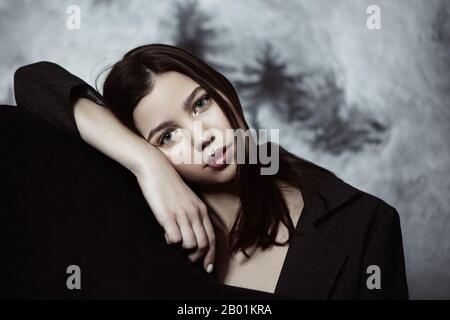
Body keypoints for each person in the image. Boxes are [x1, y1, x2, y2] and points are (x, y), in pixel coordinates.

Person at [12, 43, 409, 299]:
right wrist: (147, 164)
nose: (201, 137)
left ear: (224, 91)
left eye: (200, 104)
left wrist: (154, 155)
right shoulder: (135, 206)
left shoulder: (364, 225)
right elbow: (31, 83)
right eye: (167, 137)